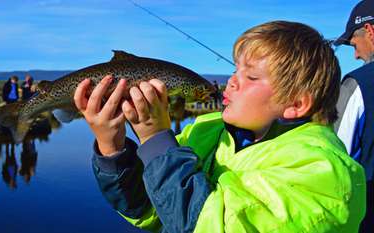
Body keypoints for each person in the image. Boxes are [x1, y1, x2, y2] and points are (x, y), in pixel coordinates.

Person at [75, 21, 366, 232]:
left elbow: (211, 225)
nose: (232, 82)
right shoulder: (205, 132)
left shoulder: (321, 171)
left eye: (250, 77)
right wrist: (112, 147)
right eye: (234, 70)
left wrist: (155, 139)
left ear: (296, 104)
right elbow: (152, 210)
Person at [333, 0, 374, 232]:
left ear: (369, 31)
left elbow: (336, 160)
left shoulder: (357, 83)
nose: (356, 55)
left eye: (353, 45)